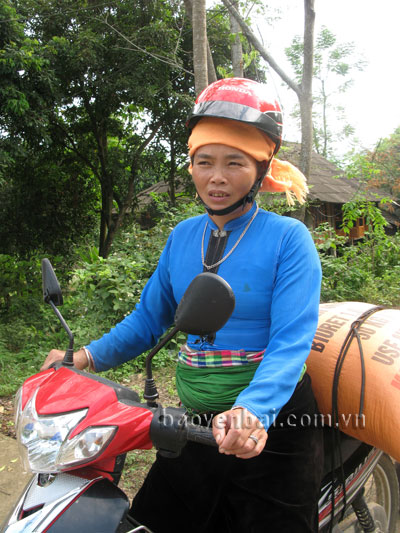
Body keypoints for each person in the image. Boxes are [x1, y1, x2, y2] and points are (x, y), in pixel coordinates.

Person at [42, 78, 323, 532]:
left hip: (269, 423)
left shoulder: (289, 240)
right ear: (190, 163)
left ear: (262, 166)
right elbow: (148, 321)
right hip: (196, 419)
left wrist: (253, 410)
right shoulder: (182, 237)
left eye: (235, 162)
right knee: (151, 521)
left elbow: (290, 342)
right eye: (204, 161)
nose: (216, 177)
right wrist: (81, 358)